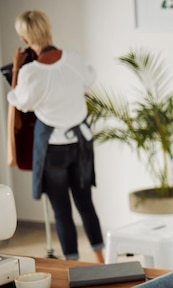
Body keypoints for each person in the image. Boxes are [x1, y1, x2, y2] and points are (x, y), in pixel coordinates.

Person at [7, 10, 105, 263]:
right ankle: (101, 260)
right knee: (86, 204)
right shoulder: (72, 58)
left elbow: (20, 102)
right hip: (81, 145)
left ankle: (72, 265)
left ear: (25, 38)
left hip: (53, 151)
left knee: (62, 212)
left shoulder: (30, 72)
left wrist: (17, 67)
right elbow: (90, 78)